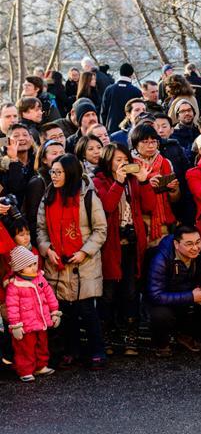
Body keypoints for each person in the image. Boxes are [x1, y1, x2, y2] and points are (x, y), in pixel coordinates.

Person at [36, 153, 108, 369]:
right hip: (56, 262)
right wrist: (47, 249)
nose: (54, 176)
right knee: (65, 311)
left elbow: (100, 230)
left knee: (87, 311)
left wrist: (84, 252)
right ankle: (72, 351)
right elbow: (40, 229)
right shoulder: (48, 196)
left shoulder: (88, 196)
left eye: (59, 172)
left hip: (83, 263)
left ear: (71, 173)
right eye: (52, 171)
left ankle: (97, 350)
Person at [93, 143, 149, 356]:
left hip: (133, 245)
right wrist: (117, 182)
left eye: (125, 159)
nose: (122, 163)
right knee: (107, 293)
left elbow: (149, 206)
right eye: (117, 159)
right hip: (111, 245)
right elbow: (107, 206)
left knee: (131, 291)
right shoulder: (99, 181)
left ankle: (131, 337)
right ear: (108, 161)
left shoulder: (133, 181)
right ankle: (105, 336)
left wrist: (143, 183)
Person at [146, 225, 201, 357]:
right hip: (163, 300)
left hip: (186, 294)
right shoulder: (160, 259)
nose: (195, 247)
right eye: (189, 244)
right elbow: (155, 295)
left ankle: (185, 335)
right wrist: (191, 296)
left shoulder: (200, 253)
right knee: (161, 315)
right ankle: (162, 343)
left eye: (198, 242)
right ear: (176, 244)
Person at [5, 246, 61, 382]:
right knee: (25, 349)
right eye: (29, 266)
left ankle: (41, 366)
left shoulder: (40, 279)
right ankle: (25, 370)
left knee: (42, 344)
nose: (34, 268)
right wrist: (15, 325)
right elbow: (12, 307)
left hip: (41, 321)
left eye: (34, 264)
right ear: (19, 269)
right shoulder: (15, 286)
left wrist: (54, 312)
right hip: (25, 325)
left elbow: (50, 296)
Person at [100, 63, 142, 132]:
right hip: (129, 130)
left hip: (111, 128)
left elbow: (103, 112)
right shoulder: (136, 91)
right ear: (131, 74)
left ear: (120, 73)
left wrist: (104, 127)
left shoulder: (109, 89)